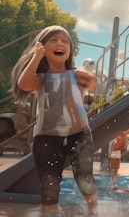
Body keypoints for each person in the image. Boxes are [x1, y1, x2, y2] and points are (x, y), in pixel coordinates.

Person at [10, 25, 99, 216]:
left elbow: (93, 83)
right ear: (42, 47)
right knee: (49, 185)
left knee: (85, 180)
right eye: (54, 40)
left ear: (69, 50)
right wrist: (36, 57)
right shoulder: (40, 79)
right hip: (47, 138)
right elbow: (23, 84)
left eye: (65, 41)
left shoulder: (76, 75)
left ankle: (93, 210)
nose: (60, 43)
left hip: (79, 133)